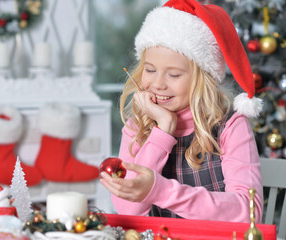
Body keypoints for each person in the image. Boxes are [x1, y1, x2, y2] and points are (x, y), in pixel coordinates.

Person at [100, 0, 264, 223]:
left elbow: (247, 211)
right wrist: (163, 130)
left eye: (174, 75)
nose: (157, 84)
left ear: (202, 79)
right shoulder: (137, 127)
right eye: (149, 70)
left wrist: (161, 191)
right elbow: (129, 209)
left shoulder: (230, 125)